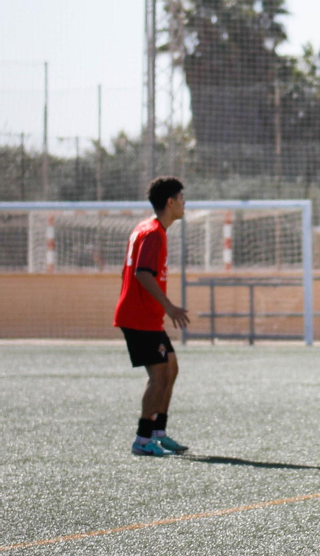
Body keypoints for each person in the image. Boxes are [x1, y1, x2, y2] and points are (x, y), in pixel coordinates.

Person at [115, 176, 190, 457]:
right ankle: (142, 439)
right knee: (158, 376)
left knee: (170, 369)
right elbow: (142, 273)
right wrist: (169, 306)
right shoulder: (153, 233)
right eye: (182, 198)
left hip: (146, 316)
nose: (185, 204)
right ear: (170, 202)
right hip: (139, 318)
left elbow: (129, 272)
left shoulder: (149, 229)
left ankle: (158, 432)